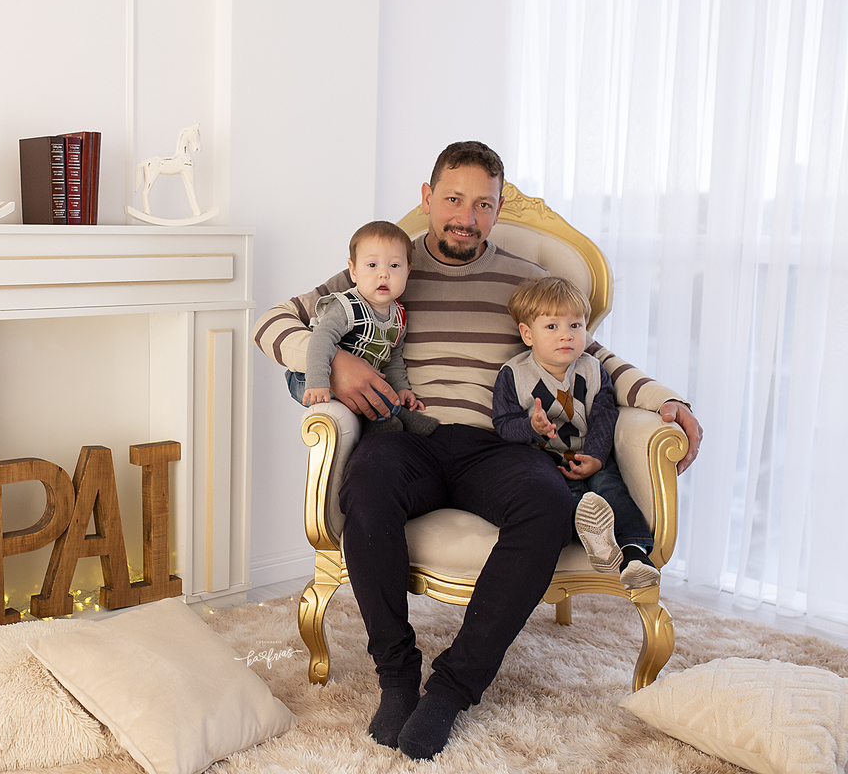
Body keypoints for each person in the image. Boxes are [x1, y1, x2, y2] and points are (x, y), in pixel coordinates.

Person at [252, 140, 702, 760]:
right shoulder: (387, 264)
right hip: (409, 439)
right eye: (453, 200)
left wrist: (665, 399)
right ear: (427, 197)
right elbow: (272, 321)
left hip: (498, 445)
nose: (466, 217)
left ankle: (452, 689)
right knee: (366, 482)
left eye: (482, 204)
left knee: (547, 501)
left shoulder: (526, 279)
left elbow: (592, 354)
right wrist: (338, 364)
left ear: (497, 209)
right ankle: (397, 676)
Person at [492, 276, 659, 590]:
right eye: (552, 326)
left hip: (588, 454)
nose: (566, 335)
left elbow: (604, 415)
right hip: (544, 460)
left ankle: (635, 554)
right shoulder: (514, 375)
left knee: (611, 488)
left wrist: (596, 457)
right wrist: (531, 427)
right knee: (568, 498)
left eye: (575, 325)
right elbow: (503, 424)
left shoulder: (593, 369)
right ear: (527, 334)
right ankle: (597, 543)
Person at [287, 220, 438, 436]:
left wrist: (402, 388)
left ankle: (385, 417)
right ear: (353, 271)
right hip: (311, 376)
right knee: (372, 395)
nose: (383, 274)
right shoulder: (346, 307)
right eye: (372, 265)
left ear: (408, 271)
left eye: (394, 266)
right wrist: (318, 381)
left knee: (377, 388)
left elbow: (393, 358)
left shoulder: (399, 315)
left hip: (360, 382)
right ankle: (393, 417)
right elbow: (320, 340)